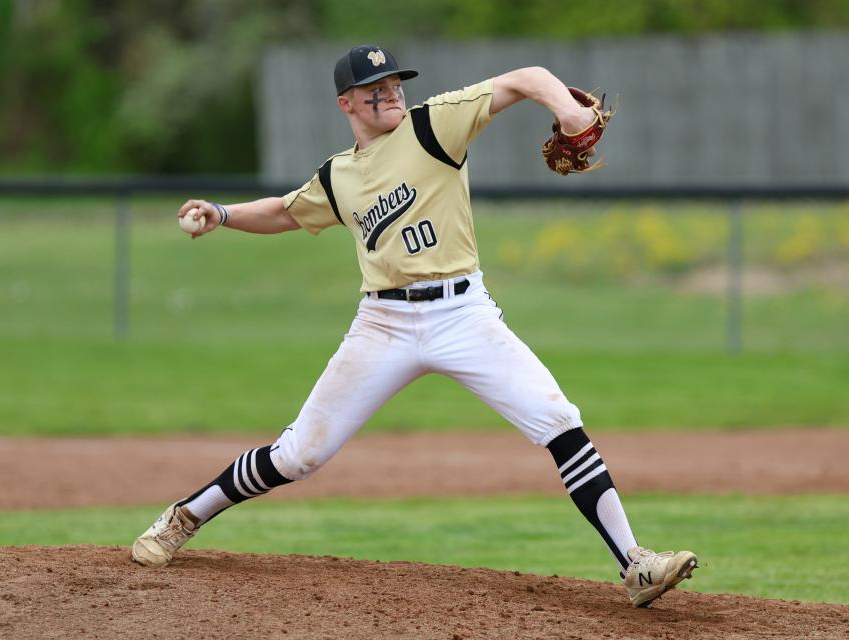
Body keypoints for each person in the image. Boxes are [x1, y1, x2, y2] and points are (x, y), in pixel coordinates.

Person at [131, 44, 698, 608]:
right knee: (299, 455)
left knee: (559, 419)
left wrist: (568, 111)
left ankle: (635, 565)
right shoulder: (340, 175)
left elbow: (525, 77)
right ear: (346, 103)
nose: (390, 94)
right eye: (375, 89)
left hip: (463, 313)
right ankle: (183, 517)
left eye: (395, 84)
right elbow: (285, 211)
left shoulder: (434, 125)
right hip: (384, 322)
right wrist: (223, 215)